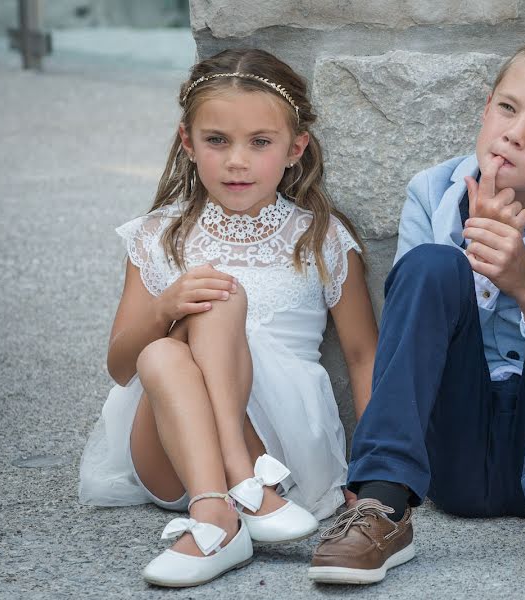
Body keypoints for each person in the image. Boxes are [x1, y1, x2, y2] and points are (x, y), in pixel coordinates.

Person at [309, 34, 525, 585]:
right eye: (507, 108)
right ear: (486, 108)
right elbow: (414, 336)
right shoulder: (431, 193)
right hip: (454, 445)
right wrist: (480, 272)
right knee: (431, 265)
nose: (514, 134)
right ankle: (383, 502)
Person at [78, 48, 378, 588]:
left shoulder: (322, 238)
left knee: (213, 304)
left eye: (259, 142)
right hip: (171, 456)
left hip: (283, 456)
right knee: (169, 340)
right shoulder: (155, 236)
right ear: (188, 143)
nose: (237, 160)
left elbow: (362, 354)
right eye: (217, 141)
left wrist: (378, 473)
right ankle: (234, 491)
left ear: (295, 149)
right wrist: (164, 308)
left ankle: (219, 516)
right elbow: (122, 368)